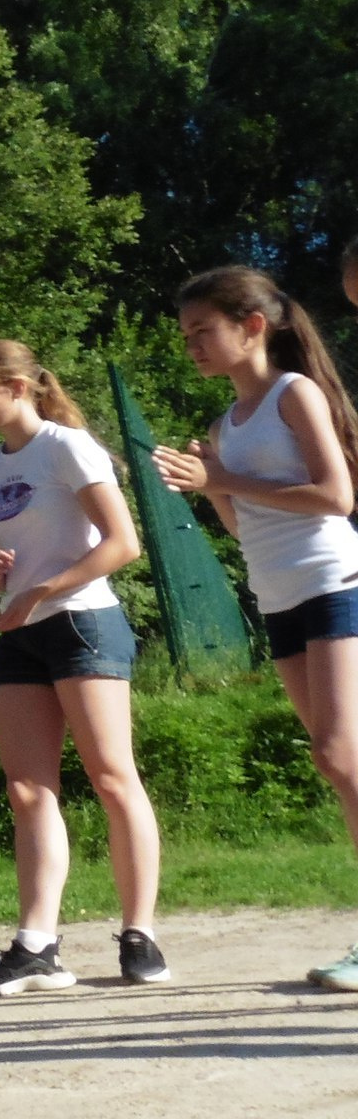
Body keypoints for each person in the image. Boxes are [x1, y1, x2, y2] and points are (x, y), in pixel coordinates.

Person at [152, 266, 358, 993]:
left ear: (252, 326)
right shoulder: (222, 426)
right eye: (186, 336)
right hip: (278, 596)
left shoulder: (293, 393)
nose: (193, 346)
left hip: (335, 581)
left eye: (203, 331)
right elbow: (244, 527)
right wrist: (206, 487)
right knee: (338, 761)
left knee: (340, 755)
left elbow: (336, 495)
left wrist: (223, 481)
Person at [0, 340, 166, 996]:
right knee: (26, 790)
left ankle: (140, 934)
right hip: (21, 633)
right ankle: (38, 943)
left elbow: (123, 544)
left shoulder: (67, 446)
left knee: (109, 775)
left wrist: (43, 592)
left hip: (82, 621)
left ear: (18, 385)